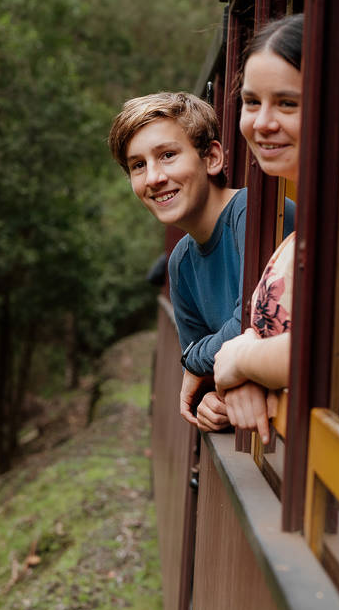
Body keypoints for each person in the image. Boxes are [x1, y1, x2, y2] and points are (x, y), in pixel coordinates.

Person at [213, 13, 339, 457]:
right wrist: (245, 373)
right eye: (251, 102)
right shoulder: (326, 204)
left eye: (288, 103)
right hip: (326, 477)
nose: (262, 122)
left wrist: (234, 358)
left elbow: (319, 351)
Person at [108, 91, 295, 433]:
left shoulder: (254, 212)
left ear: (211, 158)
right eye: (138, 165)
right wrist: (212, 398)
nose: (153, 177)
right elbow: (207, 376)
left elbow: (253, 325)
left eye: (167, 155)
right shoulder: (180, 262)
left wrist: (196, 362)